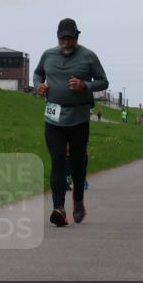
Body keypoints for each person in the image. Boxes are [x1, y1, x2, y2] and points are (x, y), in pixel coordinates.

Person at [34, 18, 109, 226]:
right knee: (57, 160)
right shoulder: (48, 55)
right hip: (53, 117)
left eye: (69, 38)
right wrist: (38, 85)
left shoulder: (88, 57)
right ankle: (59, 208)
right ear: (57, 37)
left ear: (77, 36)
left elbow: (103, 81)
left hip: (78, 118)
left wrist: (84, 85)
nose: (66, 42)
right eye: (62, 38)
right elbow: (38, 73)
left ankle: (77, 201)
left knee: (77, 163)